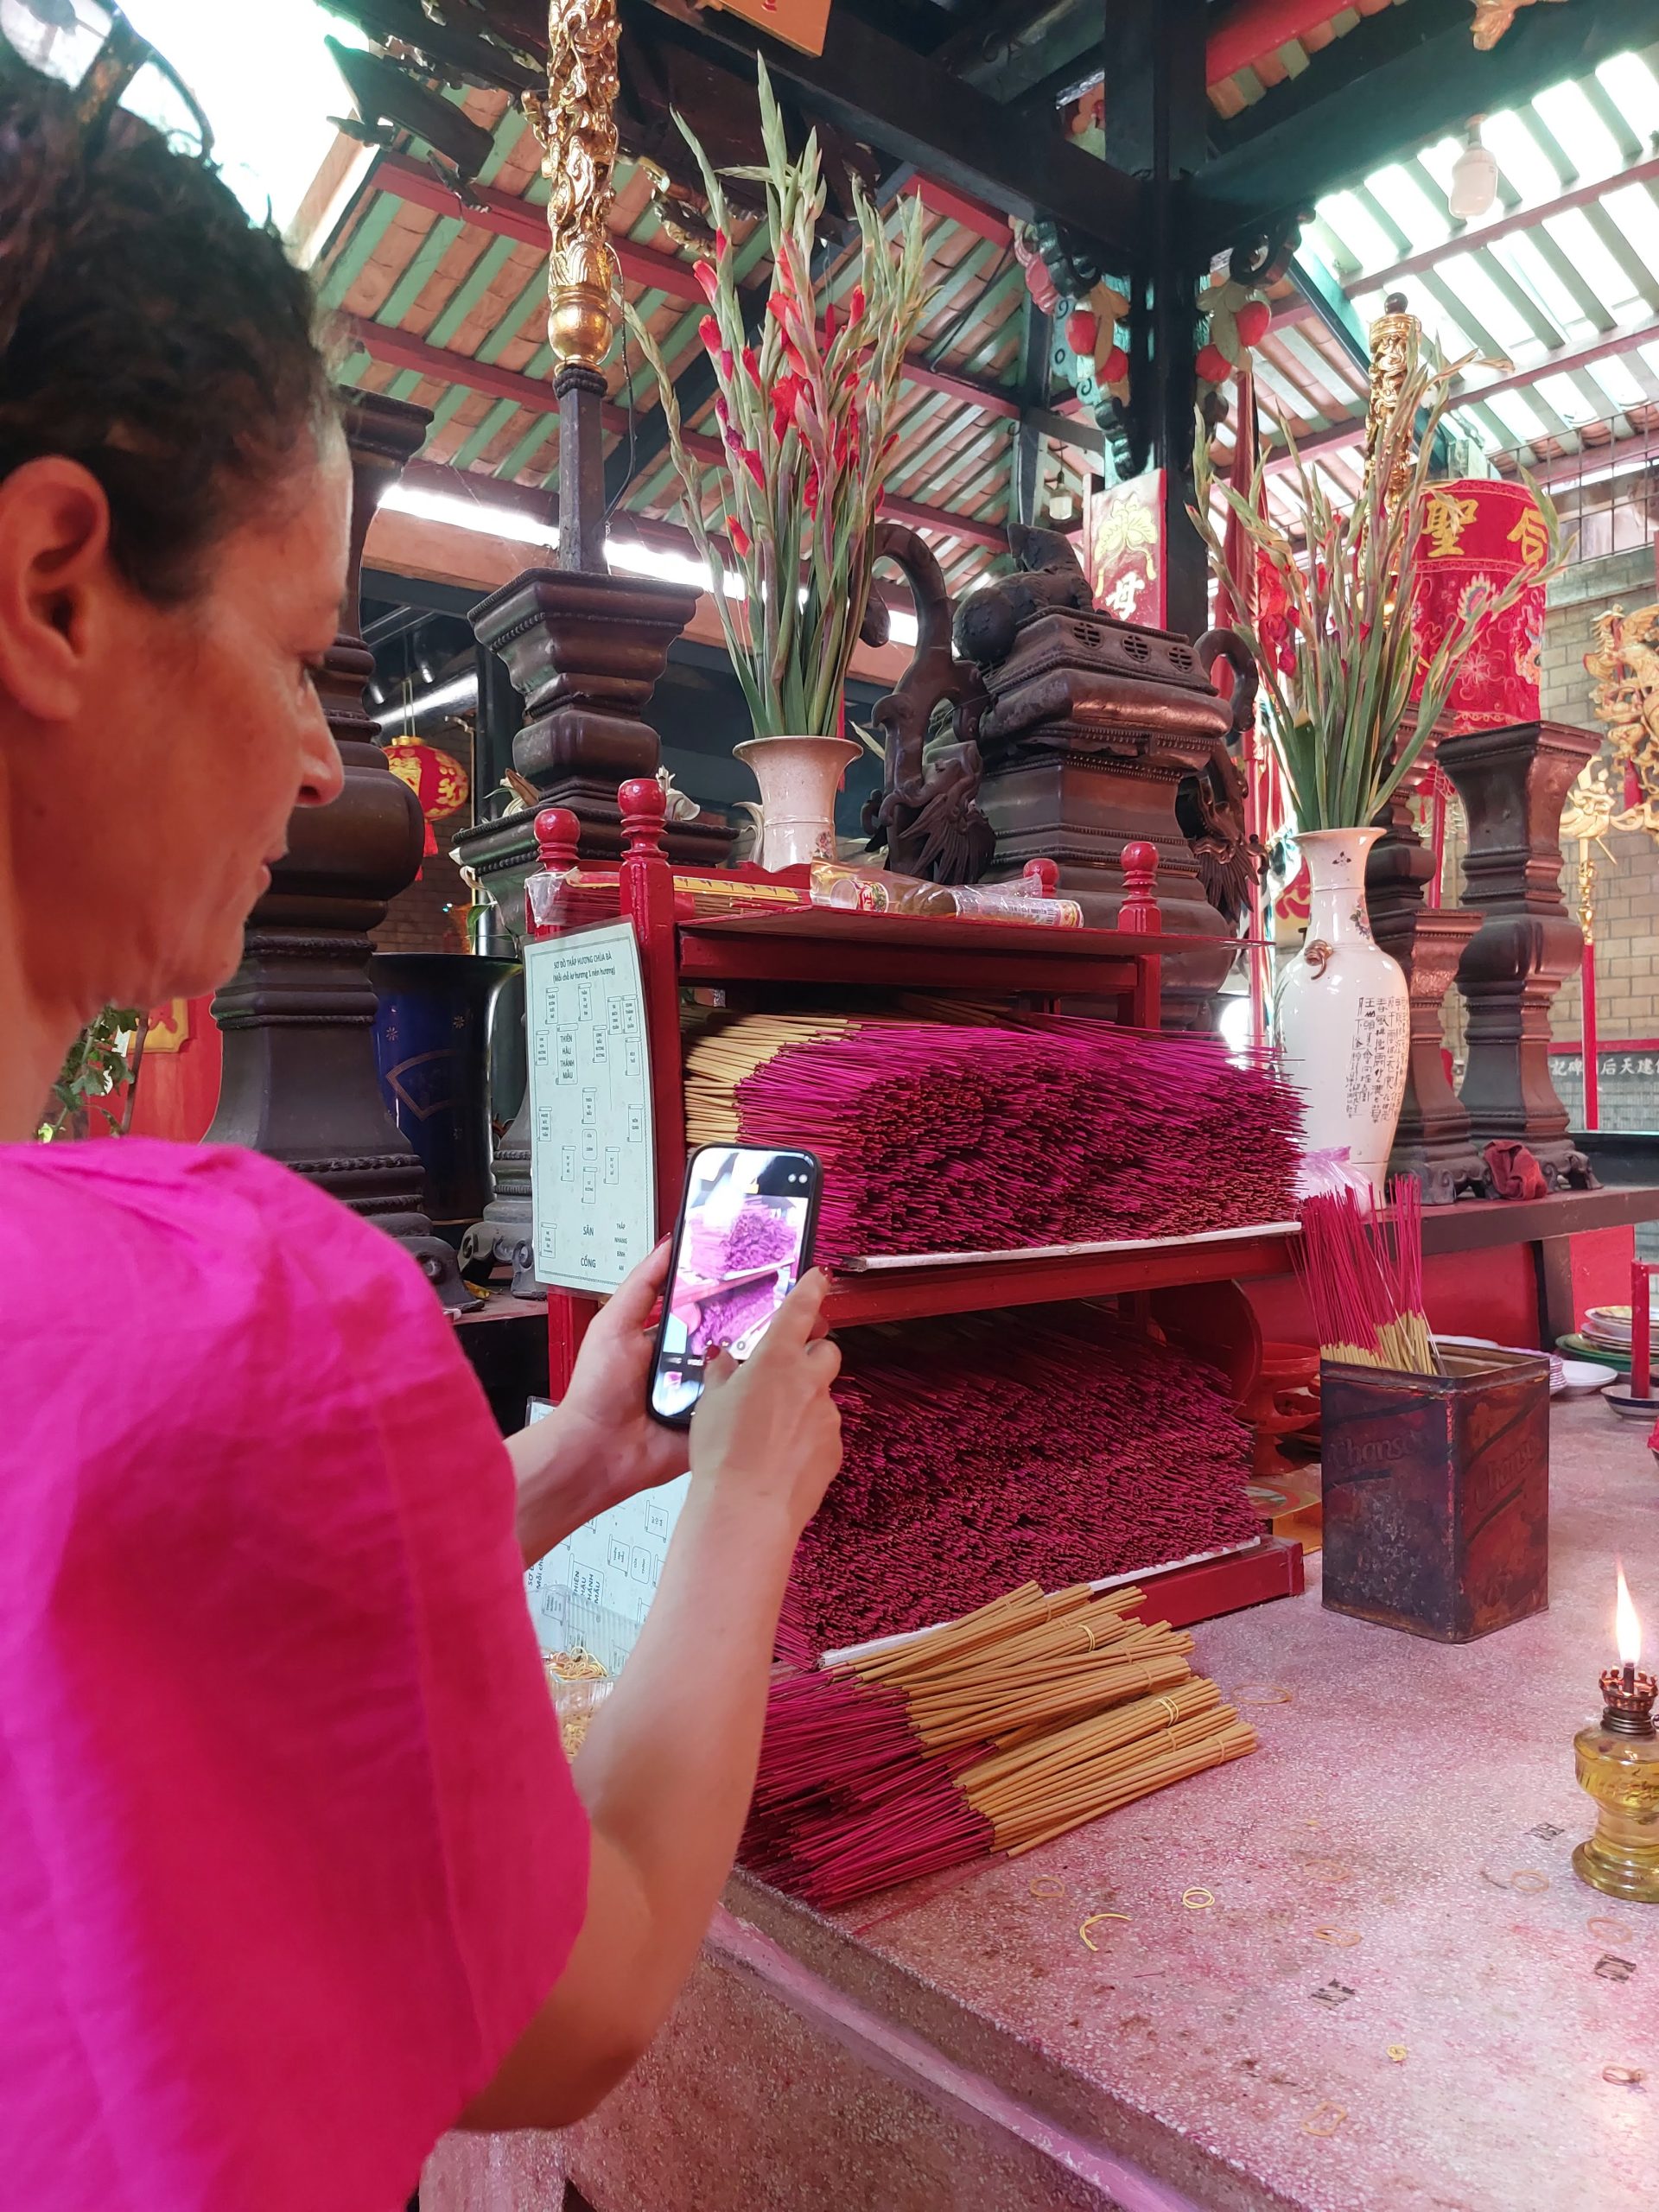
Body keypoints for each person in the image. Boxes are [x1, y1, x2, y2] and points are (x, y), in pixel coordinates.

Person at [0, 48, 842, 2212]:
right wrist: (743, 1492)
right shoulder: (243, 1309)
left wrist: (559, 1465)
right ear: (58, 589)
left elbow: (150, 1651)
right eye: (298, 656)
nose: (314, 765)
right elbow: (593, 1985)